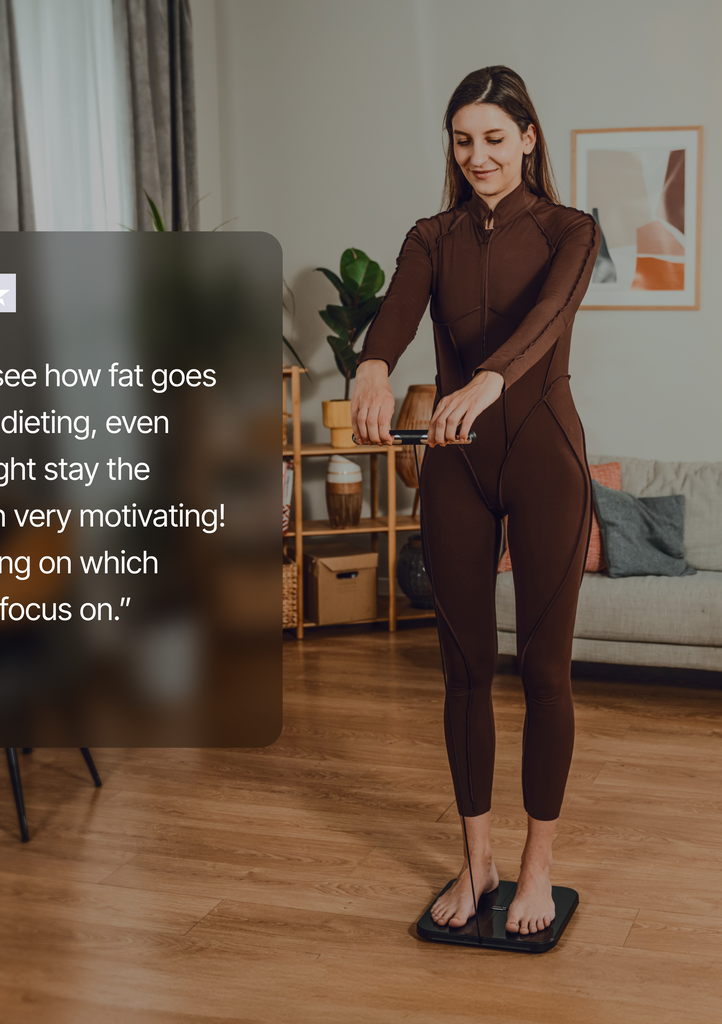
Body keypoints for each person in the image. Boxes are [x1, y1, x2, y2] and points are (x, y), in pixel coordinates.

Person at [350, 66, 599, 936]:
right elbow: (396, 312)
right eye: (463, 141)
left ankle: (538, 867)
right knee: (463, 671)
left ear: (528, 138)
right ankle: (479, 861)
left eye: (495, 138)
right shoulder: (432, 236)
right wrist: (372, 368)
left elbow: (550, 315)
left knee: (545, 671)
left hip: (545, 464)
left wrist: (490, 379)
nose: (478, 155)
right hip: (455, 466)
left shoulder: (571, 230)